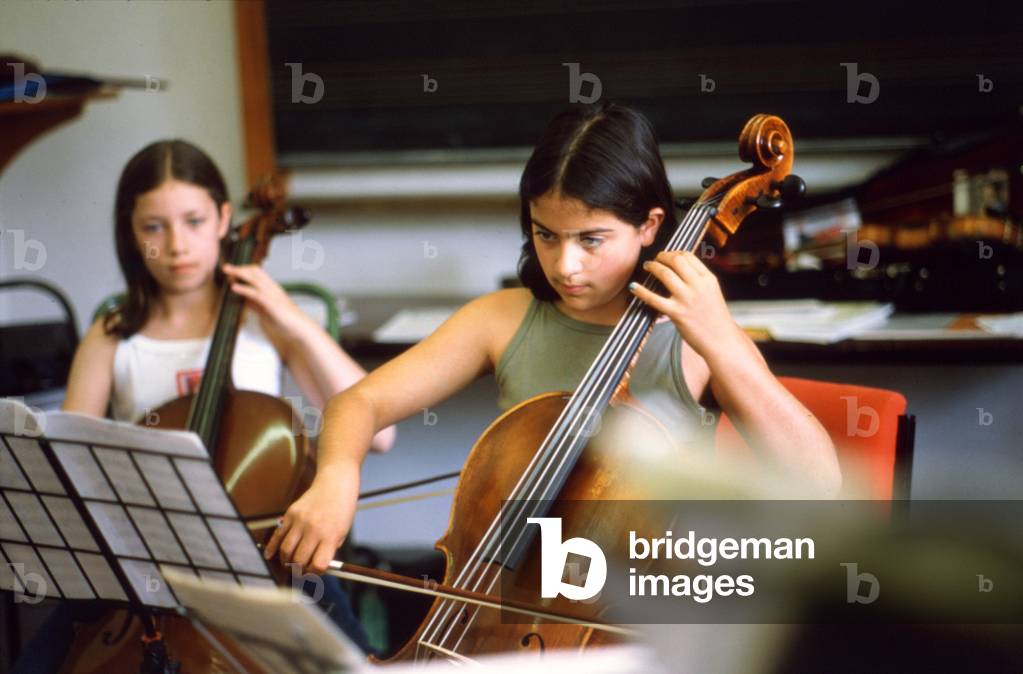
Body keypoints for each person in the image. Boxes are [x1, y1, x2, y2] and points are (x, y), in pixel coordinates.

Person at [267, 103, 842, 577]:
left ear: (648, 226)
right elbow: (359, 402)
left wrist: (718, 338)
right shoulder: (501, 319)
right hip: (514, 591)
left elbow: (819, 483)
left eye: (592, 240)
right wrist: (337, 476)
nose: (565, 265)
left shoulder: (694, 337)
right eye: (546, 235)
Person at [14, 139, 392, 673]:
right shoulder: (113, 334)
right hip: (144, 566)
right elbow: (66, 462)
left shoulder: (265, 324)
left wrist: (293, 321)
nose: (176, 246)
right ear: (130, 232)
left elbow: (379, 435)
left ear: (221, 218)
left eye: (193, 221)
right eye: (154, 227)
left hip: (266, 557)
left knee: (355, 664)